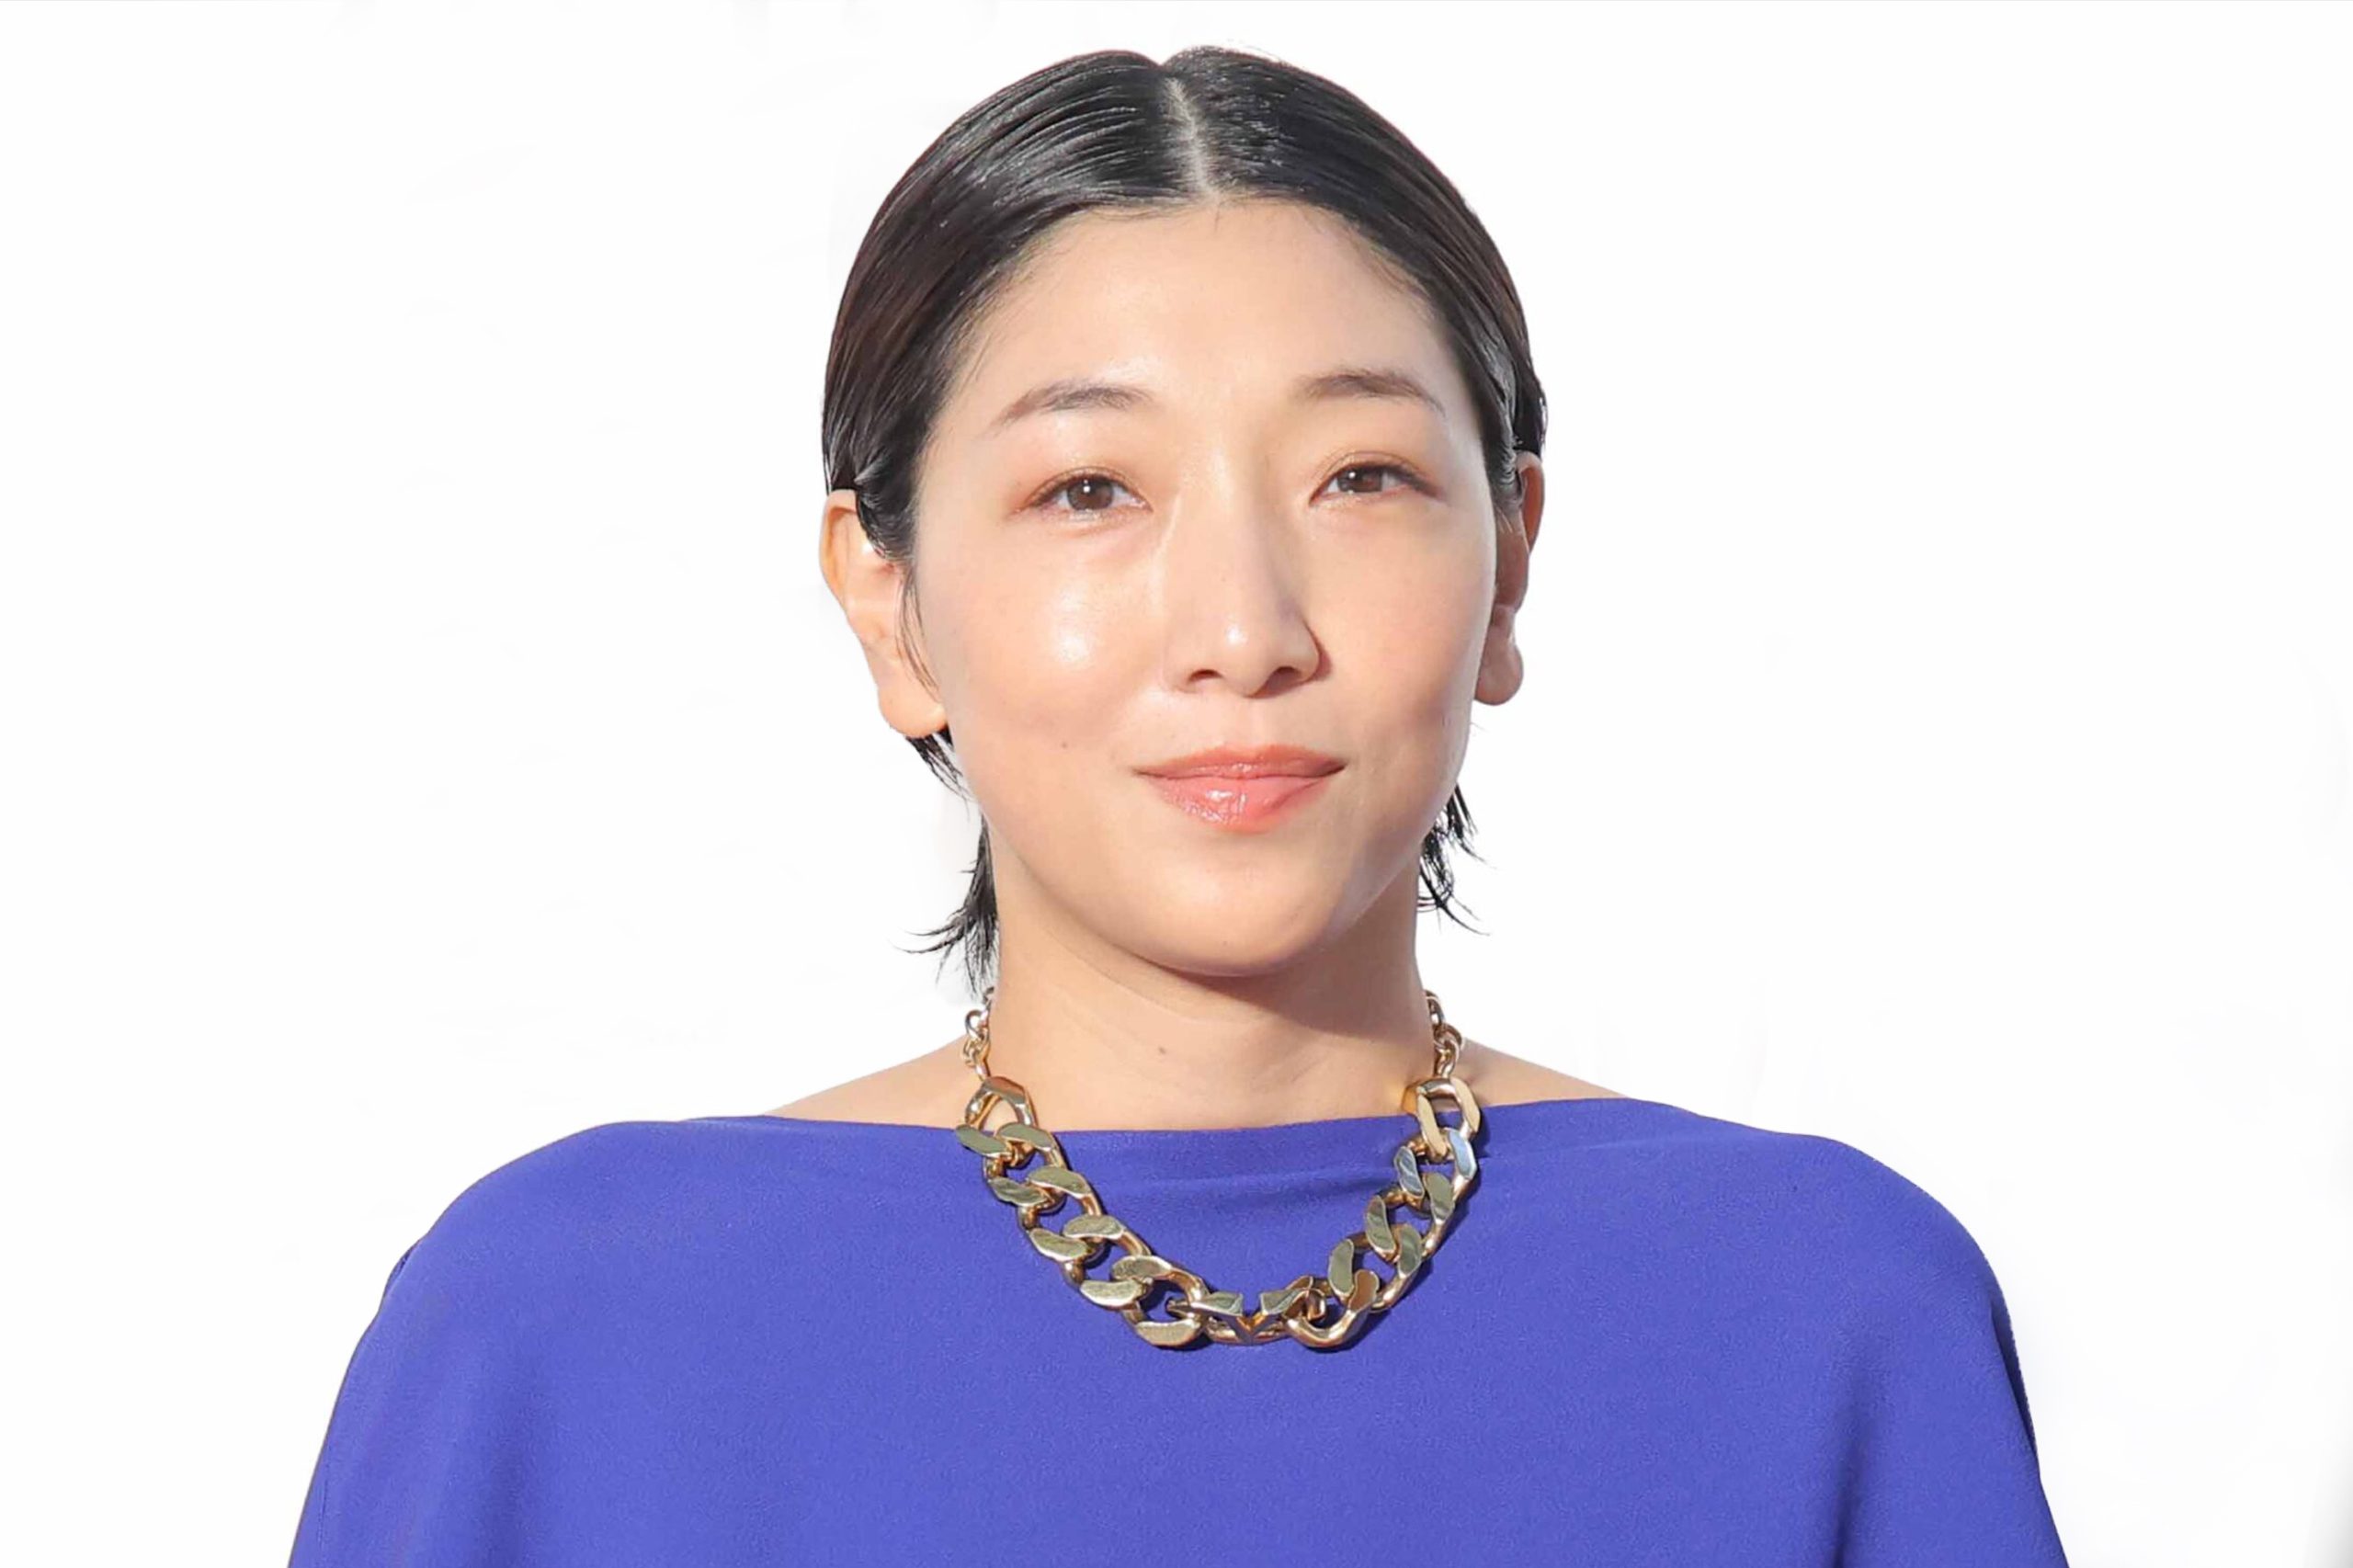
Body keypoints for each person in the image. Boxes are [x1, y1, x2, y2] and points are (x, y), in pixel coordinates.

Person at [287, 45, 2070, 1564]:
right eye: (1089, 490)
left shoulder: (1819, 1308)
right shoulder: (568, 1327)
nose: (1241, 627)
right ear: (887, 601)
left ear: (1508, 564)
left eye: (1359, 475)